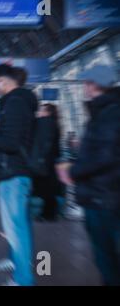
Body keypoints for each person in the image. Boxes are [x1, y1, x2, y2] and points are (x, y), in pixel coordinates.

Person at [56, 65, 120, 286]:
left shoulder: (108, 113)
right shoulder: (106, 111)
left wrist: (72, 171)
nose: (83, 87)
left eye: (86, 83)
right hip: (107, 194)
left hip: (104, 197)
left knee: (106, 257)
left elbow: (104, 155)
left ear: (95, 85)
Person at [0, 64, 38, 286]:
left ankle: (23, 279)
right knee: (19, 226)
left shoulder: (15, 103)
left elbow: (10, 144)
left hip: (13, 174)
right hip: (16, 173)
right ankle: (14, 262)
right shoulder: (18, 102)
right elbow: (14, 137)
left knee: (16, 228)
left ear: (2, 82)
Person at [33, 104, 62, 221]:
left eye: (41, 110)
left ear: (47, 112)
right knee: (49, 190)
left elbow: (45, 143)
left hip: (45, 162)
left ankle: (48, 214)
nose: (39, 112)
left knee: (47, 190)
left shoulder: (45, 123)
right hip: (50, 161)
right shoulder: (54, 123)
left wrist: (41, 158)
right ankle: (49, 213)